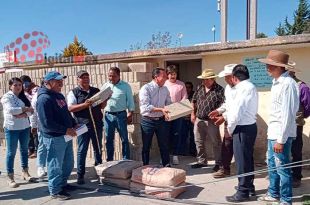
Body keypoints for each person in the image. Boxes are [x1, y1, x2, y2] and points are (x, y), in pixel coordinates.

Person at [257, 50, 299, 205]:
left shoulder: (288, 84)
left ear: (280, 67)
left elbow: (287, 114)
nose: (267, 68)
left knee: (282, 167)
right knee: (272, 165)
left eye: (270, 65)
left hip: (281, 134)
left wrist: (281, 140)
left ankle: (286, 200)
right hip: (273, 132)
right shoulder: (277, 83)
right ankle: (273, 193)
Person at [37, 71, 77, 200]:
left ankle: (62, 184)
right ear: (48, 83)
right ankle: (55, 190)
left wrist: (73, 123)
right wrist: (65, 130)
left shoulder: (59, 95)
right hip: (54, 137)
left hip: (66, 135)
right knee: (55, 165)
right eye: (58, 80)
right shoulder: (44, 99)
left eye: (62, 80)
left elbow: (66, 113)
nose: (61, 82)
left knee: (68, 163)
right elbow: (47, 123)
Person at [224, 64, 258, 203]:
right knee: (247, 159)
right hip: (247, 127)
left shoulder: (244, 88)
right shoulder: (248, 86)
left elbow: (237, 112)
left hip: (242, 128)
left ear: (234, 77)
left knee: (242, 161)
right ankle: (248, 186)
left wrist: (230, 129)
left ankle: (243, 191)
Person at [67, 70, 106, 184]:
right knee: (82, 150)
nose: (85, 79)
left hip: (96, 124)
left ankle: (99, 173)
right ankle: (80, 175)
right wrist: (84, 105)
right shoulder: (74, 92)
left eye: (87, 77)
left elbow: (102, 106)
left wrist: (106, 98)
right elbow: (70, 108)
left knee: (98, 148)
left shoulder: (96, 91)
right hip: (81, 125)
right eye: (82, 77)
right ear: (78, 79)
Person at [1, 77, 35, 188]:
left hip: (24, 127)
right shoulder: (7, 97)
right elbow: (10, 110)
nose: (18, 87)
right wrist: (25, 109)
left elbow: (32, 110)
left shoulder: (23, 96)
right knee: (11, 153)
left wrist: (25, 113)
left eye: (19, 85)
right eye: (15, 85)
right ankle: (10, 177)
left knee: (24, 150)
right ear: (10, 86)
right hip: (12, 128)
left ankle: (25, 171)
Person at [190, 69, 224, 171]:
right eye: (203, 79)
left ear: (212, 79)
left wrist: (219, 116)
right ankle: (201, 161)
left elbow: (224, 105)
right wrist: (192, 114)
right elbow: (193, 101)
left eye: (206, 79)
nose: (204, 81)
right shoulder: (200, 87)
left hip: (211, 121)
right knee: (198, 141)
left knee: (216, 142)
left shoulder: (219, 89)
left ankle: (218, 163)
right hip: (199, 119)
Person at [139, 67, 172, 167]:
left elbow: (168, 103)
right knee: (146, 146)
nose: (166, 78)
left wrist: (169, 112)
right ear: (156, 77)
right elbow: (145, 107)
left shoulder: (165, 89)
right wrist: (161, 109)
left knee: (164, 144)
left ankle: (166, 165)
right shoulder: (146, 88)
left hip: (161, 121)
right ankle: (145, 166)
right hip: (147, 121)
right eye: (164, 76)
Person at [209, 64, 237, 178]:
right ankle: (225, 169)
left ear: (233, 76)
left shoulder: (242, 89)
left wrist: (223, 117)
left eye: (227, 76)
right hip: (229, 121)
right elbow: (227, 104)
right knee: (226, 146)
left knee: (241, 149)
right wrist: (218, 111)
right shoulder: (228, 88)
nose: (225, 79)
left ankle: (244, 174)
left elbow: (237, 108)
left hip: (240, 123)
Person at [103, 67, 135, 161]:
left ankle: (126, 159)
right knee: (109, 139)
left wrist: (130, 113)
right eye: (109, 76)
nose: (111, 78)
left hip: (121, 115)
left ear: (119, 76)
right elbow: (100, 100)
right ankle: (109, 160)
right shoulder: (105, 86)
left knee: (124, 139)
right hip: (108, 115)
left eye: (114, 76)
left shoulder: (125, 86)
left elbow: (130, 101)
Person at [289, 71, 310, 188]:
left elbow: (307, 106)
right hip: (284, 125)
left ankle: (296, 176)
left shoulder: (302, 87)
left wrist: (300, 116)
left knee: (295, 151)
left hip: (296, 124)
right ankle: (287, 175)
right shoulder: (281, 86)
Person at [164, 65, 188, 165]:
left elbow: (185, 98)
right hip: (166, 113)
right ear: (167, 75)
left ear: (176, 74)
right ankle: (165, 156)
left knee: (176, 135)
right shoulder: (164, 84)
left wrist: (177, 109)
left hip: (178, 114)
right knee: (165, 136)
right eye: (170, 74)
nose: (172, 76)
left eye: (173, 74)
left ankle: (175, 156)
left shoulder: (181, 84)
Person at [30, 81, 47, 178]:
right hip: (42, 125)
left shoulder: (58, 93)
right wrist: (34, 126)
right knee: (42, 146)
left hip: (56, 126)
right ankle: (40, 166)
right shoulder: (37, 96)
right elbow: (34, 113)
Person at [20, 75, 39, 158]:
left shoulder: (36, 89)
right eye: (23, 84)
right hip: (28, 114)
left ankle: (36, 150)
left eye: (25, 84)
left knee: (35, 133)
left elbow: (33, 100)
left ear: (30, 83)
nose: (24, 86)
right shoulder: (24, 92)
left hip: (35, 115)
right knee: (29, 133)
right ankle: (30, 149)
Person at [184, 81, 196, 156]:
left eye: (189, 87)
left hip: (192, 118)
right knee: (183, 135)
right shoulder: (183, 95)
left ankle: (192, 152)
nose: (187, 89)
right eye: (186, 87)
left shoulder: (194, 95)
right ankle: (183, 152)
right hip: (183, 118)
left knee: (193, 136)